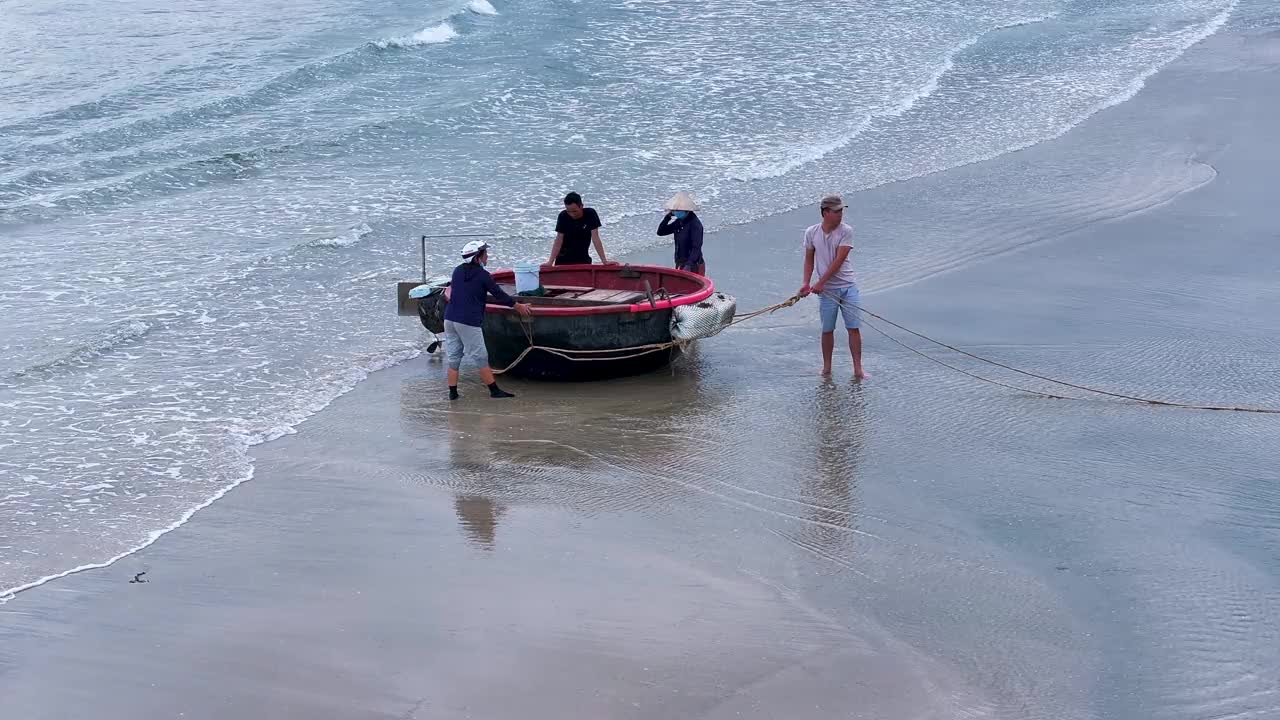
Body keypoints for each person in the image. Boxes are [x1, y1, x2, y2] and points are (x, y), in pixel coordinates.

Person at [444, 240, 533, 400]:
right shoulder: (483, 275)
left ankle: (453, 393)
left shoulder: (457, 271)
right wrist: (517, 306)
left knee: (454, 357)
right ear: (477, 258)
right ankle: (494, 391)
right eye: (485, 254)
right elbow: (498, 294)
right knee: (481, 357)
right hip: (468, 322)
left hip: (449, 318)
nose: (487, 256)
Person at [798, 193, 867, 380]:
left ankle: (858, 369)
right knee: (827, 329)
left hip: (847, 286)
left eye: (841, 211)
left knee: (853, 328)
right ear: (825, 212)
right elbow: (809, 260)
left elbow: (839, 260)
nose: (840, 215)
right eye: (836, 212)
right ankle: (827, 368)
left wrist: (820, 282)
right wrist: (806, 283)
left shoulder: (846, 231)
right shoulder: (811, 232)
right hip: (827, 292)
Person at [548, 191, 616, 266]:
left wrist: (604, 261)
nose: (572, 214)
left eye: (574, 211)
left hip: (583, 259)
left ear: (581, 206)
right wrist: (550, 262)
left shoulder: (590, 214)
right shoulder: (563, 216)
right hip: (563, 260)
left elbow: (595, 238)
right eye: (569, 211)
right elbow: (558, 240)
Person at [656, 191, 705, 275]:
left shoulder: (695, 225)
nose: (676, 212)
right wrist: (667, 217)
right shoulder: (679, 222)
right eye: (674, 210)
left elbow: (696, 248)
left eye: (678, 210)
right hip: (680, 262)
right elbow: (661, 232)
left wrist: (689, 265)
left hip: (693, 265)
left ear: (687, 210)